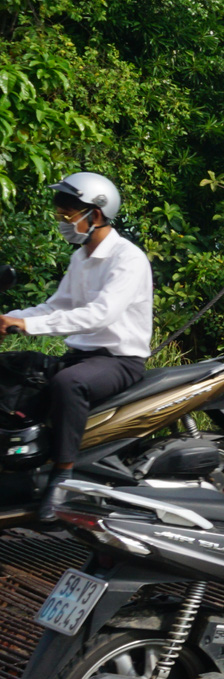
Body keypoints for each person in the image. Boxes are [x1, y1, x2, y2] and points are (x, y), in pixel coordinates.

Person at [1, 173, 153, 521]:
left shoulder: (127, 259)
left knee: (68, 383)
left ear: (94, 215)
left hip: (119, 361)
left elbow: (99, 316)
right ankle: (19, 469)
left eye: (67, 214)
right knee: (13, 370)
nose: (62, 222)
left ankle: (62, 478)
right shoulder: (81, 258)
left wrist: (29, 325)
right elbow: (57, 306)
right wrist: (11, 319)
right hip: (80, 356)